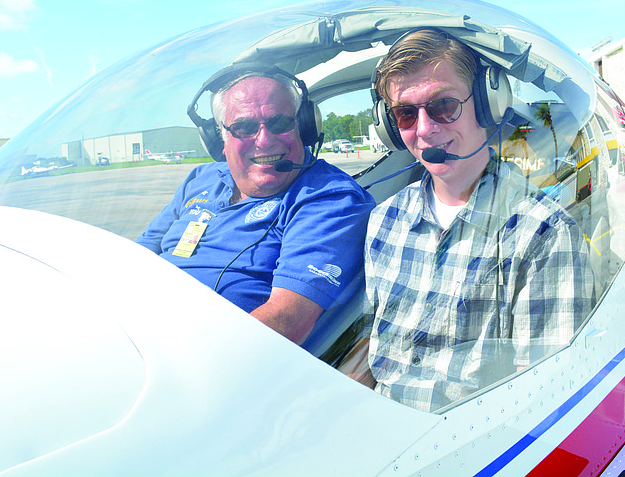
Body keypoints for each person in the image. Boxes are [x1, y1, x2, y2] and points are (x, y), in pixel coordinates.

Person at [361, 29, 594, 412]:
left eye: (443, 106)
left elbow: (543, 393)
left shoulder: (543, 233)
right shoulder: (383, 222)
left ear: (488, 105)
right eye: (405, 113)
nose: (424, 129)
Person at [137, 68, 375, 345]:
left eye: (279, 123)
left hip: (209, 357)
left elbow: (287, 320)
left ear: (304, 128)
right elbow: (135, 258)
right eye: (244, 127)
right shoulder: (201, 179)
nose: (264, 140)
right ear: (219, 140)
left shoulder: (329, 198)